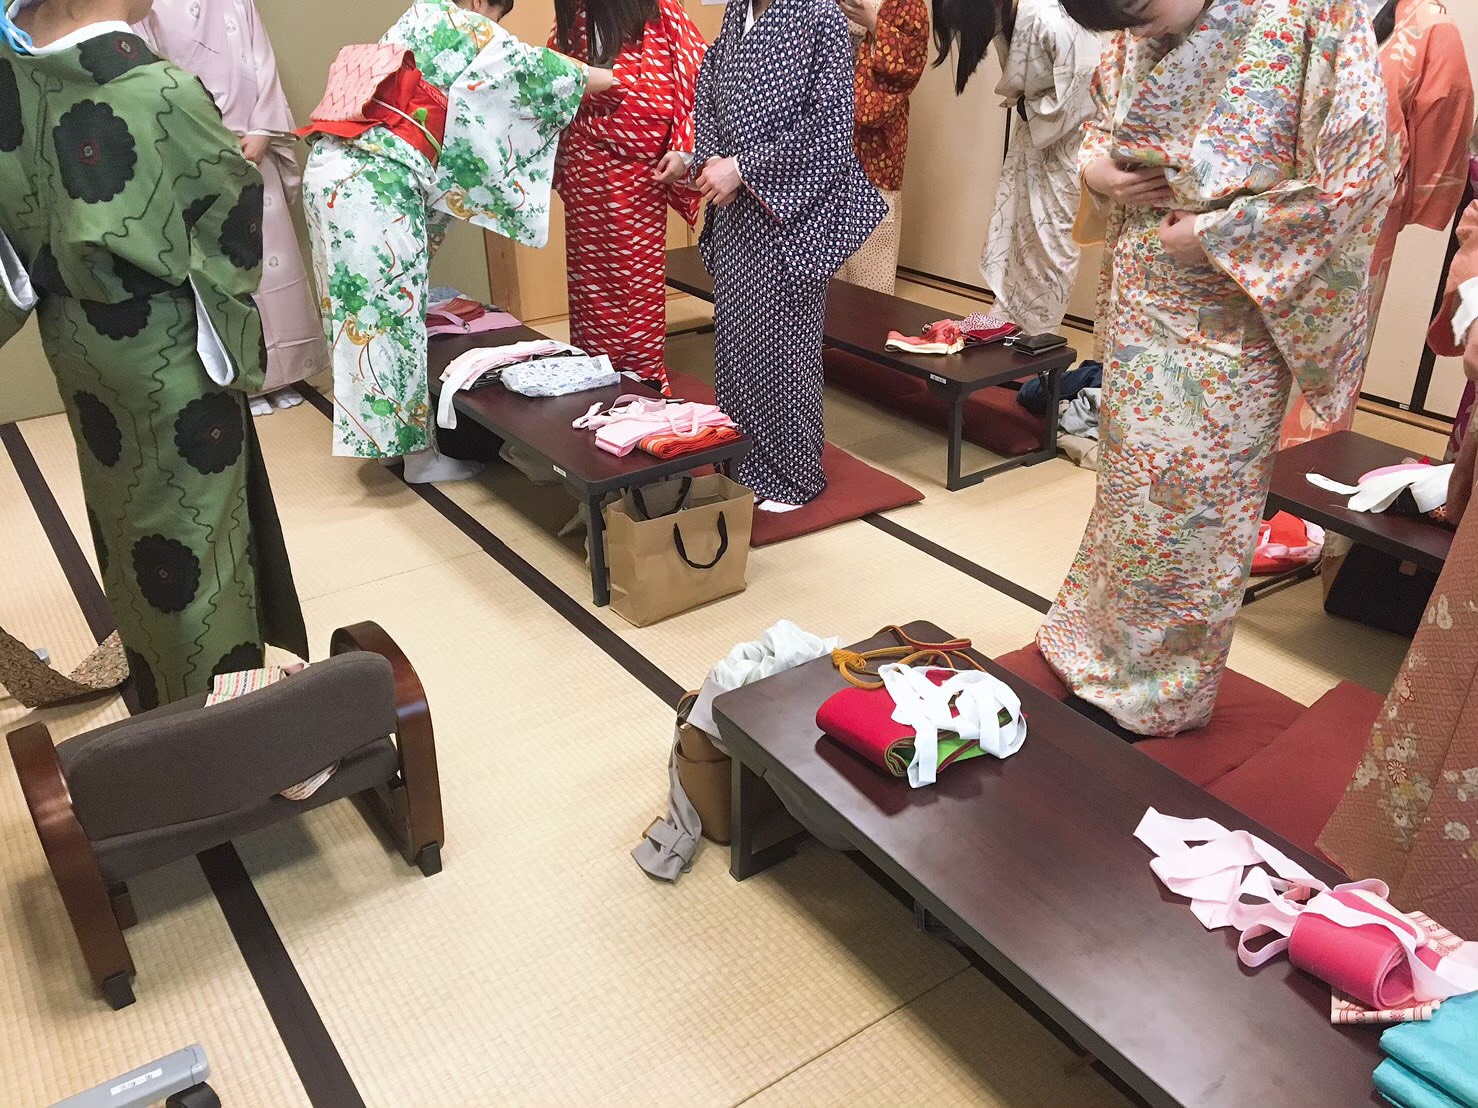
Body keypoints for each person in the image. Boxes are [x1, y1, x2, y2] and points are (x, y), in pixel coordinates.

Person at [1035, 0, 1394, 736]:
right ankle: (1099, 646)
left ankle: (1159, 689)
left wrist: (1218, 231)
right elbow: (1103, 123)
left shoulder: (1312, 13)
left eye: (1141, 10)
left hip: (1233, 309)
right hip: (1142, 289)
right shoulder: (1133, 34)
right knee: (1129, 492)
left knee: (1195, 510)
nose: (1140, 33)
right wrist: (1098, 170)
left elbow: (1356, 181)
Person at [0, 0, 307, 709]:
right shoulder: (157, 89)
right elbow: (226, 214)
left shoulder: (15, 68)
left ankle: (160, 682)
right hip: (168, 346)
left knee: (129, 515)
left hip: (75, 337)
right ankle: (221, 726)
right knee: (199, 528)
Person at [301, 0, 612, 483]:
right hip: (372, 188)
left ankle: (387, 442)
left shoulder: (417, 18)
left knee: (356, 319)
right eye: (498, 15)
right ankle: (420, 459)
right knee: (393, 321)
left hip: (332, 173)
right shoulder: (460, 22)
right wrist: (619, 77)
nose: (497, 27)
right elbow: (541, 71)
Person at [692, 0, 885, 511]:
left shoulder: (819, 13)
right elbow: (708, 90)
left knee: (784, 350)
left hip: (788, 215)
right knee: (736, 346)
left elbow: (829, 127)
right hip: (736, 213)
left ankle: (794, 475)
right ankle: (743, 464)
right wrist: (712, 162)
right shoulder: (737, 11)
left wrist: (742, 169)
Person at [1278, 0, 1474, 449]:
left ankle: (1298, 474)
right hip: (1249, 216)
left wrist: (1403, 205)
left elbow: (1447, 115)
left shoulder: (1429, 26)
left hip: (1359, 227)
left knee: (1326, 363)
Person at [133, 0, 331, 419]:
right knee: (224, 268)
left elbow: (262, 60)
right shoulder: (145, 6)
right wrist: (202, 141)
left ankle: (285, 373)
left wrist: (262, 130)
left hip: (253, 147)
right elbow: (147, 74)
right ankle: (242, 378)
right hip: (195, 150)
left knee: (272, 263)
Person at [550, 0, 706, 394]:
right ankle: (593, 378)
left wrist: (685, 151)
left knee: (637, 283)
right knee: (588, 283)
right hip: (585, 171)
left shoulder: (660, 12)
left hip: (640, 175)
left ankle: (643, 380)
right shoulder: (575, 15)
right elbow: (550, 83)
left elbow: (700, 77)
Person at [932, 0, 1100, 333]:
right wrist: (1030, 108)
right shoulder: (1007, 18)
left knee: (1051, 246)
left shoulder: (1050, 21)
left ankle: (1038, 337)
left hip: (1068, 148)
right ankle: (1006, 323)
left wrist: (1030, 108)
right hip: (1034, 141)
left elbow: (1090, 86)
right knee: (1015, 233)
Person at [832, 0, 927, 295]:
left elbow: (909, 64)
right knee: (827, 231)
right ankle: (826, 316)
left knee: (873, 231)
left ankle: (868, 315)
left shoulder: (907, 4)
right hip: (827, 122)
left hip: (876, 137)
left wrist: (874, 23)